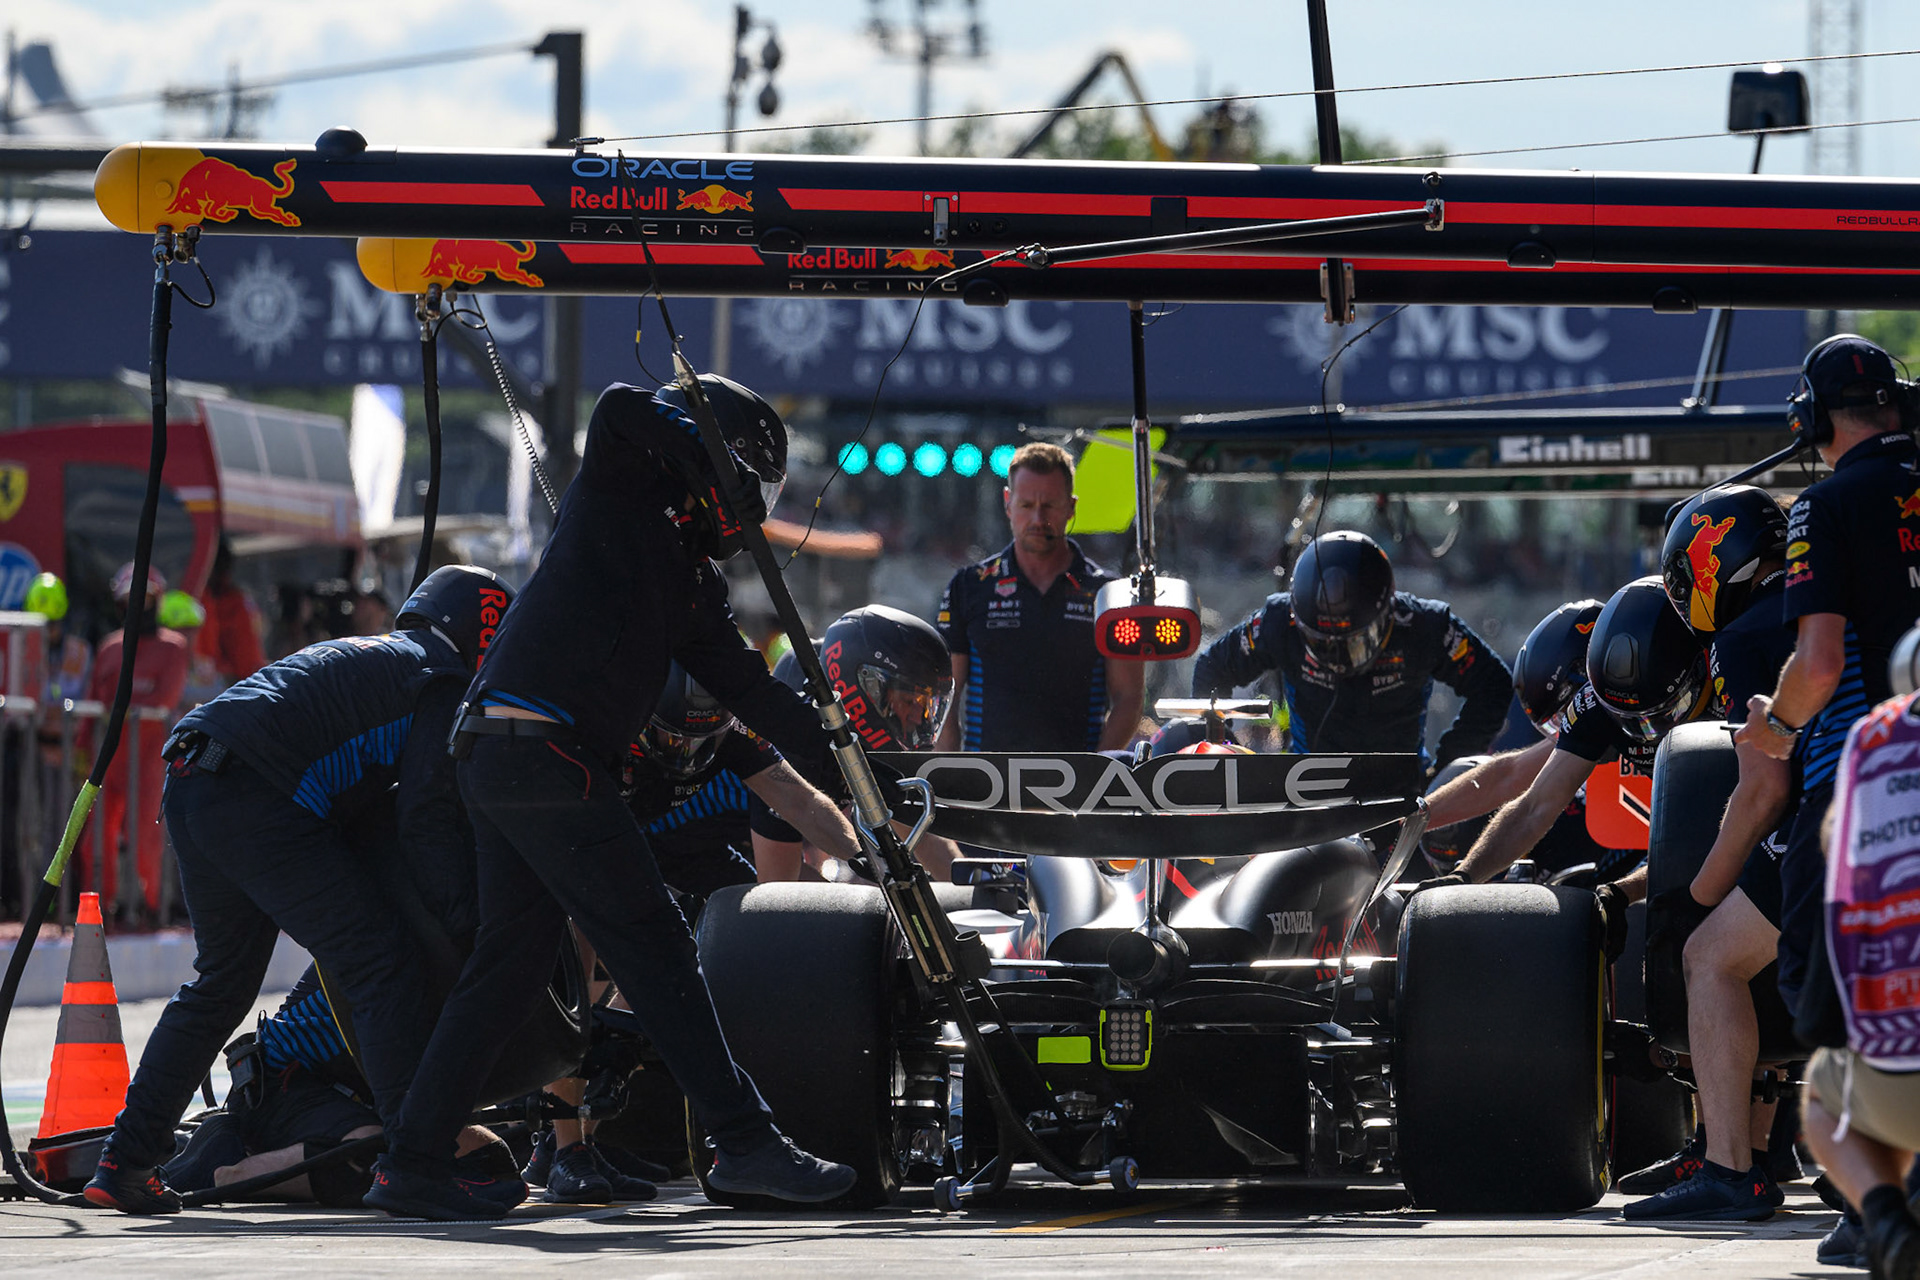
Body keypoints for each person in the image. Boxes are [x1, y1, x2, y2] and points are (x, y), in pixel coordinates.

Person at [367, 377, 857, 1221]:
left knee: (509, 971)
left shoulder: (694, 585)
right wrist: (705, 454)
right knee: (656, 943)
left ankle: (411, 1159)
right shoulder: (619, 493)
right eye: (750, 484)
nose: (753, 509)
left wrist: (855, 766)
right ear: (718, 462)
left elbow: (757, 695)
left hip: (506, 756)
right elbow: (620, 403)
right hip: (540, 752)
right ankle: (744, 1140)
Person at [82, 566, 512, 1214]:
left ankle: (125, 1162)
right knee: (379, 962)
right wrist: (470, 925)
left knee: (221, 984)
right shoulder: (443, 679)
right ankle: (414, 1165)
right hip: (257, 793)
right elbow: (425, 817)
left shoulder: (386, 656)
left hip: (194, 775)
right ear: (488, 631)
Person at [525, 662, 868, 1207]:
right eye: (673, 738)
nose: (686, 751)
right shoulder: (603, 726)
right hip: (585, 832)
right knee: (579, 977)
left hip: (676, 839)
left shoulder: (733, 731)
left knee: (681, 965)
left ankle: (580, 1135)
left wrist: (869, 856)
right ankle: (567, 1147)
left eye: (701, 740)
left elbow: (799, 800)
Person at [1621, 484, 1802, 1221]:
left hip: (1839, 813)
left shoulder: (1746, 635)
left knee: (1710, 955)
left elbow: (1763, 790)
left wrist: (1693, 898)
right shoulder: (1837, 597)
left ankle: (1731, 1169)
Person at [1735, 334, 1920, 1028]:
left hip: (1866, 785)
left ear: (1811, 419)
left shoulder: (1824, 504)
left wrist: (1776, 727)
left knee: (1822, 996)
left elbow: (1818, 665)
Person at [1441, 577, 1713, 899]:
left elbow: (1725, 828)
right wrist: (1463, 876)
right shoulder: (1593, 704)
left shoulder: (1733, 668)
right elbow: (1533, 808)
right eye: (1627, 719)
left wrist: (1623, 893)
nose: (1646, 733)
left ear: (1701, 666)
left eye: (1662, 715)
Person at [1192, 530, 1511, 772]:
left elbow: (1493, 684)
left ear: (1388, 612)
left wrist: (1446, 769)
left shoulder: (1424, 625)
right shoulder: (1278, 620)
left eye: (1353, 641)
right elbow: (1212, 668)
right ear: (1297, 620)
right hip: (1305, 789)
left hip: (1402, 791)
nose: (1339, 659)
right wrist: (1228, 757)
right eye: (1322, 643)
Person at [1802, 632, 1920, 1280]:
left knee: (1823, 1097)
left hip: (1896, 1083)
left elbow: (1821, 1025)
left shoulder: (1872, 740)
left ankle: (1885, 1219)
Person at [935, 442, 1144, 753]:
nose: (1037, 518)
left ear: (1071, 507)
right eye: (1026, 505)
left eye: (1049, 505)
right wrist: (950, 773)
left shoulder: (1108, 593)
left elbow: (1129, 698)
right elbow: (945, 697)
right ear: (1008, 503)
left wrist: (1096, 770)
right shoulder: (969, 586)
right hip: (987, 778)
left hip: (1076, 778)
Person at [756, 605, 961, 883]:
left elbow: (926, 841)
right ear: (865, 689)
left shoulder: (866, 734)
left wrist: (975, 892)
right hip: (718, 846)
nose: (919, 719)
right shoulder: (796, 738)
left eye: (928, 706)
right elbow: (778, 884)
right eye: (910, 702)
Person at [83, 563, 192, 923]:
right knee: (95, 839)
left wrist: (125, 708)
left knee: (147, 838)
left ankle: (154, 906)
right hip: (109, 760)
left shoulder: (173, 647)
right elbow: (93, 702)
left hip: (150, 758)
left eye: (143, 599)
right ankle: (100, 908)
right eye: (130, 600)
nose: (137, 607)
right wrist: (81, 748)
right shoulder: (109, 648)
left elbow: (165, 699)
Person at [195, 539, 267, 685]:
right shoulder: (233, 599)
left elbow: (245, 647)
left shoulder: (233, 600)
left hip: (235, 678)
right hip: (236, 676)